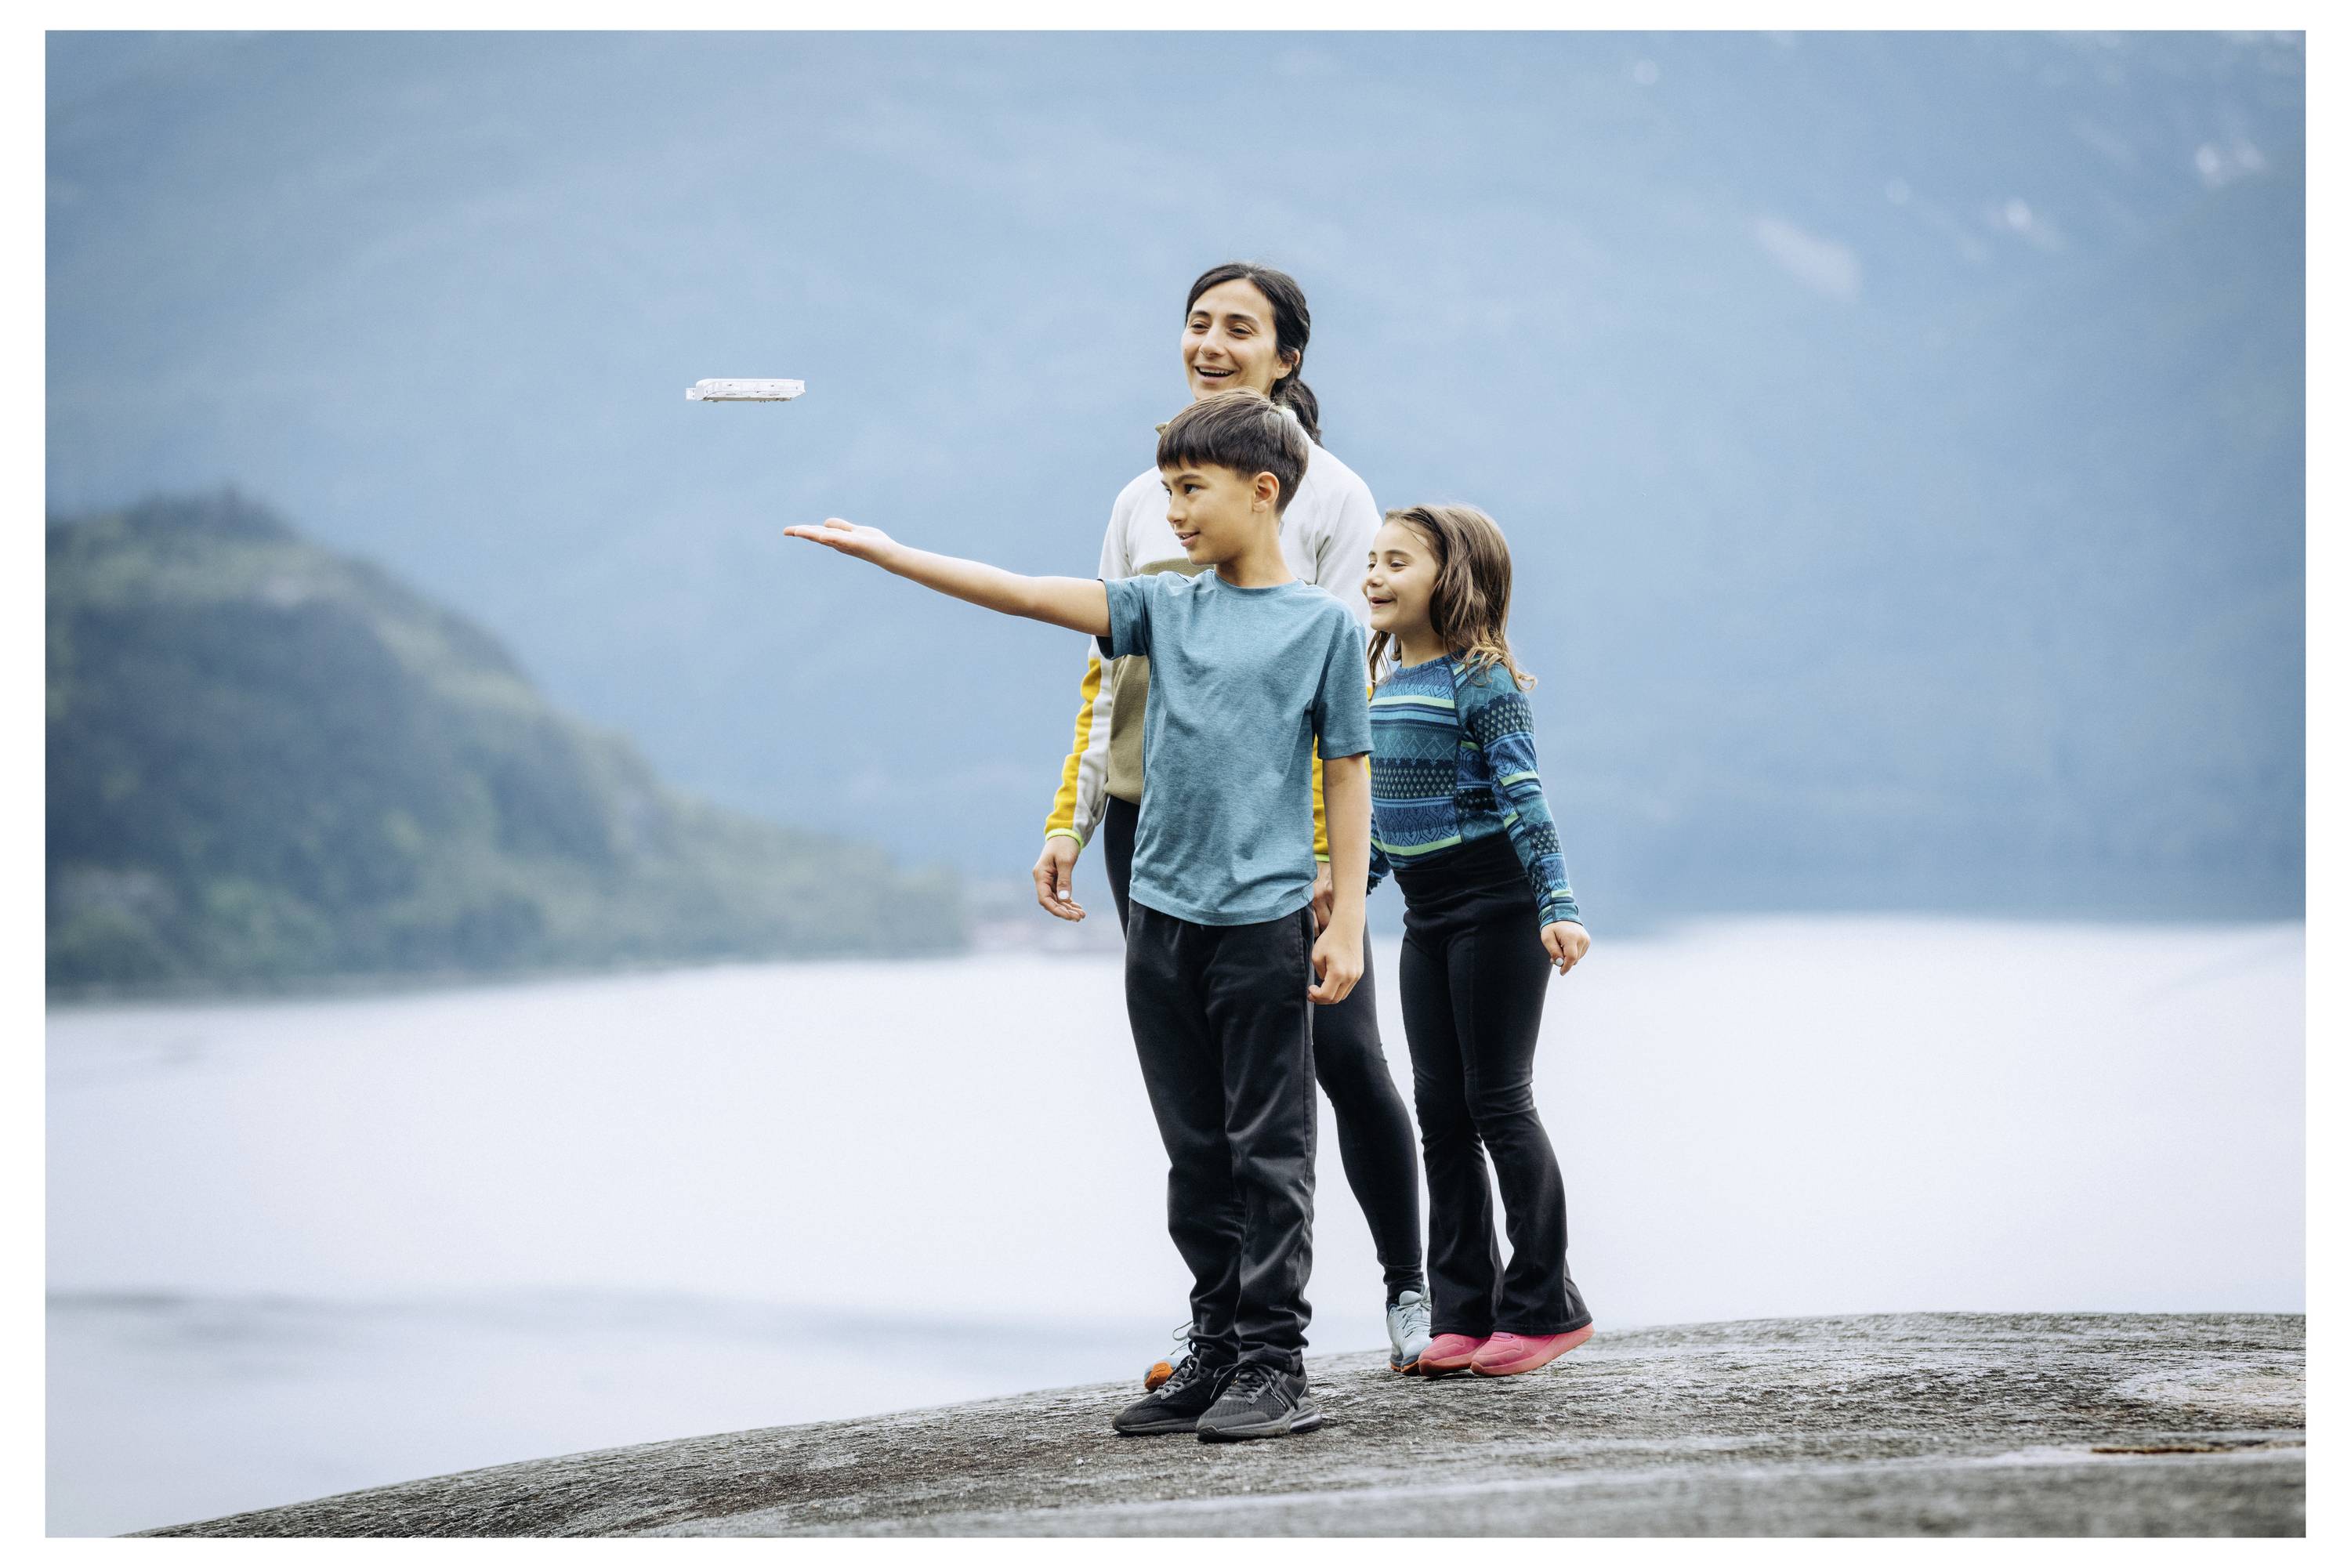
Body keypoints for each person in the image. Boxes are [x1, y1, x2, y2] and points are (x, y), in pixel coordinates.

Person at [787, 390, 1371, 1441]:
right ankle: (1216, 1349)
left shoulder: (1325, 626)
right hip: (1159, 919)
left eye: (1192, 490)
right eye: (1168, 491)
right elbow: (1023, 595)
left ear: (1263, 490)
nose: (1176, 511)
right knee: (1195, 1149)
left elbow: (1345, 776)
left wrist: (1345, 923)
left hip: (1263, 921)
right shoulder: (1167, 603)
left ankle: (1276, 1363)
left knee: (1268, 1146)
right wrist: (888, 551)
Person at [1033, 263, 1430, 1378]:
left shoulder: (1332, 498)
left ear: (1286, 356)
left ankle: (1407, 1288)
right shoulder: (1147, 497)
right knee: (1199, 1087)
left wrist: (1323, 862)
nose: (1210, 341)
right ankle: (1225, 1329)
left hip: (1278, 834)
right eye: (1197, 323)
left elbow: (1348, 681)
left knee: (1343, 1055)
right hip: (1150, 822)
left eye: (1239, 328)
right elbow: (1103, 669)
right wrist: (1073, 812)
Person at [1360, 503, 1596, 1378]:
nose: (1374, 577)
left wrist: (1557, 903)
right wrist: (1344, 905)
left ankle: (1546, 1307)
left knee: (1499, 1103)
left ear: (1450, 579)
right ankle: (1465, 1309)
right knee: (1441, 1113)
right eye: (1371, 561)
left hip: (1496, 906)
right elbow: (1390, 823)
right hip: (1426, 916)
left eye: (1396, 563)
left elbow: (1524, 797)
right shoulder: (1382, 685)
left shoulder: (1480, 678)